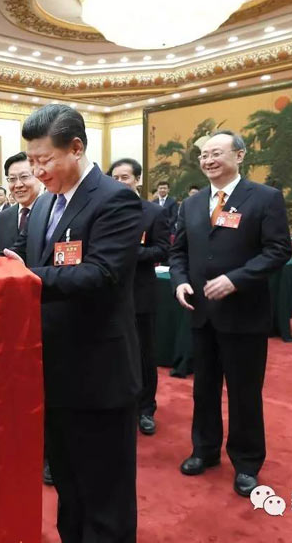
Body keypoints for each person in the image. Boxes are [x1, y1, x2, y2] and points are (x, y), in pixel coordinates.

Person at [1, 104, 143, 543]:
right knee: (69, 485)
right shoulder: (45, 202)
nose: (36, 171)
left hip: (100, 373)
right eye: (31, 161)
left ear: (76, 148)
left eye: (44, 160)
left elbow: (102, 274)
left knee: (105, 491)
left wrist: (26, 277)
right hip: (52, 369)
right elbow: (23, 260)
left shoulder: (115, 200)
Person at [169, 130, 291, 498]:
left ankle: (247, 463)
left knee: (244, 393)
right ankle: (204, 450)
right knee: (203, 389)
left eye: (216, 153)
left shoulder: (264, 198)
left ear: (239, 156)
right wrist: (179, 281)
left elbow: (278, 250)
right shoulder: (191, 204)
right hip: (201, 312)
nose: (208, 160)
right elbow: (178, 252)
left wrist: (236, 279)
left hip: (244, 313)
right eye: (204, 155)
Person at [109, 158, 170, 437]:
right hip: (107, 294)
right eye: (115, 177)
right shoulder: (103, 209)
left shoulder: (153, 212)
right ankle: (118, 404)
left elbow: (162, 250)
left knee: (144, 354)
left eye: (125, 177)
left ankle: (146, 409)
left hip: (140, 294)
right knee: (113, 353)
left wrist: (131, 253)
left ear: (138, 180)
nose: (120, 182)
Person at [0, 152, 41, 253]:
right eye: (12, 179)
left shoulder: (52, 213)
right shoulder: (1, 218)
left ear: (38, 176)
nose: (18, 185)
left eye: (24, 177)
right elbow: (0, 255)